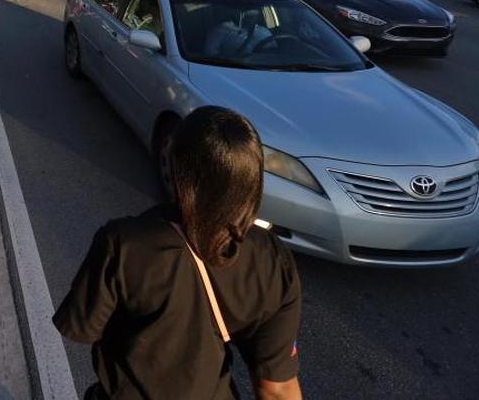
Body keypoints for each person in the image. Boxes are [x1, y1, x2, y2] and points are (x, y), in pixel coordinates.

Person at [54, 107, 302, 400]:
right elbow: (277, 389)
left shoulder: (123, 243)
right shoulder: (273, 259)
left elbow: (82, 328)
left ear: (178, 171)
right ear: (252, 179)